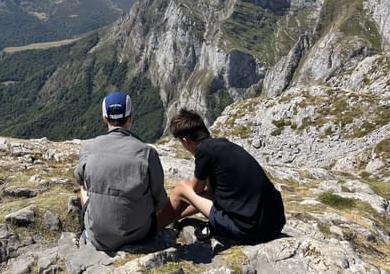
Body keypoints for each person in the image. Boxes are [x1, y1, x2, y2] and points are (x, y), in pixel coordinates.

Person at [158, 108, 285, 244]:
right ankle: (170, 219)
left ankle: (152, 228)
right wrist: (178, 215)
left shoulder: (204, 151)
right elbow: (210, 194)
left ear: (185, 140)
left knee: (182, 188)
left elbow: (195, 191)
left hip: (248, 231)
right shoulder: (225, 145)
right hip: (274, 226)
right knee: (202, 191)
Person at [74, 91, 168, 251]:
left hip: (98, 235)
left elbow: (78, 178)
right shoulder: (147, 153)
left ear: (104, 118)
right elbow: (159, 199)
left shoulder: (88, 147)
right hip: (139, 235)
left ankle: (89, 230)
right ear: (131, 117)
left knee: (84, 186)